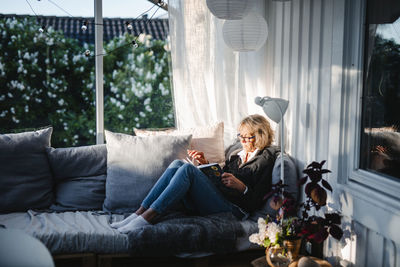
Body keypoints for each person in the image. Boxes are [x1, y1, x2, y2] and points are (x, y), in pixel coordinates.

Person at [111, 114, 278, 233]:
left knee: (187, 170)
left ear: (260, 136)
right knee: (178, 164)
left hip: (235, 211)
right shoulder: (237, 156)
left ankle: (147, 218)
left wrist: (243, 187)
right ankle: (138, 212)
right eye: (240, 136)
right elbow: (222, 178)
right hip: (220, 199)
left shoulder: (265, 159)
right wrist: (207, 166)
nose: (242, 141)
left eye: (247, 138)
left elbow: (257, 200)